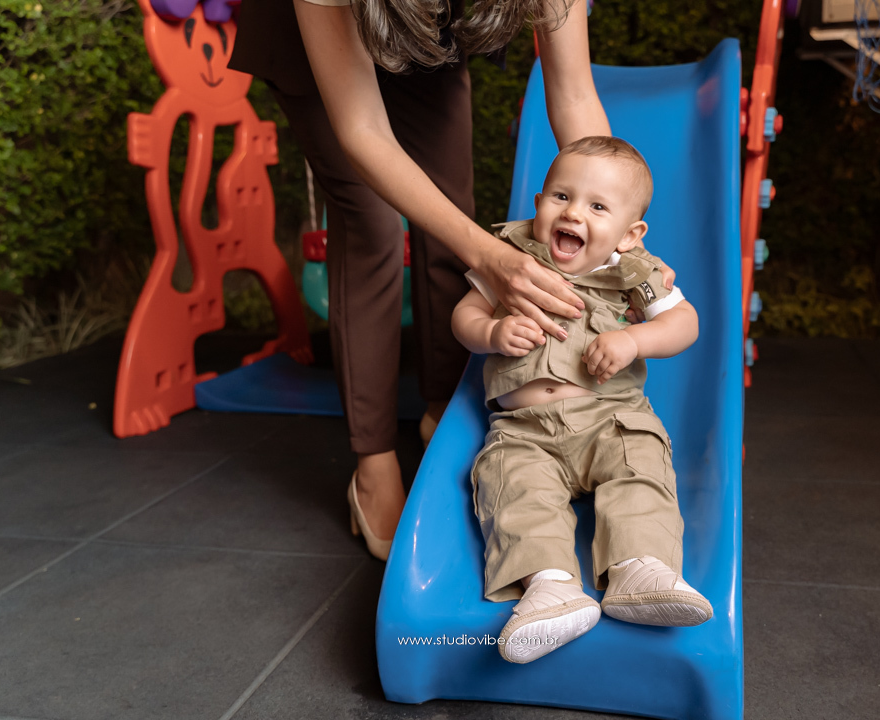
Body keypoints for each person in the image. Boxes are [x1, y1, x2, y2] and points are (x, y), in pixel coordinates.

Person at [229, 0, 675, 560]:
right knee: (373, 227)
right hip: (324, 33)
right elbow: (363, 131)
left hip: (429, 30)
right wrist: (488, 257)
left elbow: (573, 94)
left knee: (449, 210)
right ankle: (374, 461)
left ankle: (440, 412)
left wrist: (622, 248)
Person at [451, 136, 712, 665]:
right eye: (561, 197)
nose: (573, 213)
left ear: (630, 233)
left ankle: (639, 569)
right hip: (524, 430)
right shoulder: (512, 258)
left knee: (639, 468)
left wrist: (634, 340)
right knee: (513, 488)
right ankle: (551, 588)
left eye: (597, 207)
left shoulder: (633, 271)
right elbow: (464, 315)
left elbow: (685, 323)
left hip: (611, 420)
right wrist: (492, 332)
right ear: (538, 203)